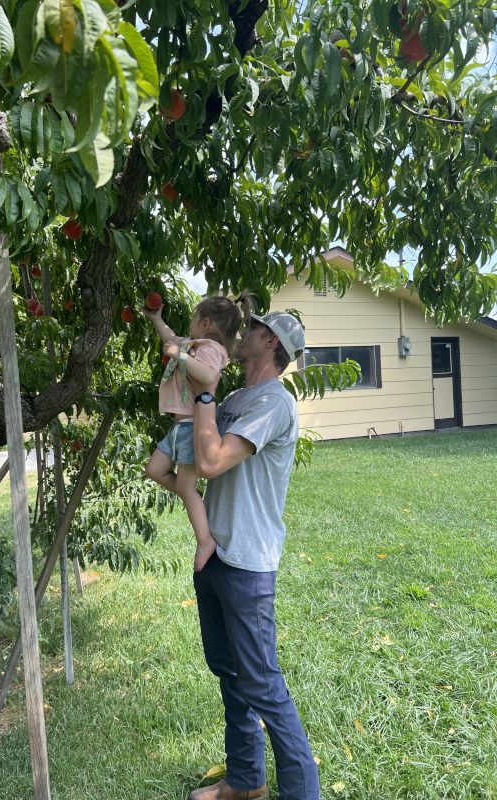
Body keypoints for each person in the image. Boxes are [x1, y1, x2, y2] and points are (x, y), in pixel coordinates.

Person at [188, 312, 320, 800]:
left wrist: (204, 393)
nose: (242, 332)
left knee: (262, 684)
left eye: (254, 327)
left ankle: (302, 792)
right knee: (230, 674)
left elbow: (210, 461)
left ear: (269, 341)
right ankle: (246, 782)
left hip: (248, 563)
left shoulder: (275, 404)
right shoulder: (237, 399)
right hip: (216, 553)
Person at [144, 295, 248, 571]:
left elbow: (208, 376)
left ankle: (205, 540)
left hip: (193, 426)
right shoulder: (193, 345)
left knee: (185, 487)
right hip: (179, 427)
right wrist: (156, 320)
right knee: (154, 469)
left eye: (192, 319)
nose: (188, 325)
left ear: (205, 323)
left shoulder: (211, 349)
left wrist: (180, 356)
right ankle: (191, 494)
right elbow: (170, 337)